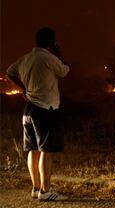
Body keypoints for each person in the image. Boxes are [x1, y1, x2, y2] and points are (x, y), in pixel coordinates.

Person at [6, 27, 70, 201]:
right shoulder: (49, 58)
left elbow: (9, 72)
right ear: (51, 42)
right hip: (45, 109)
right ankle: (45, 191)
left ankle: (35, 188)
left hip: (29, 110)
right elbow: (65, 71)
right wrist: (59, 53)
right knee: (46, 151)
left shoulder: (26, 58)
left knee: (32, 150)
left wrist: (23, 88)